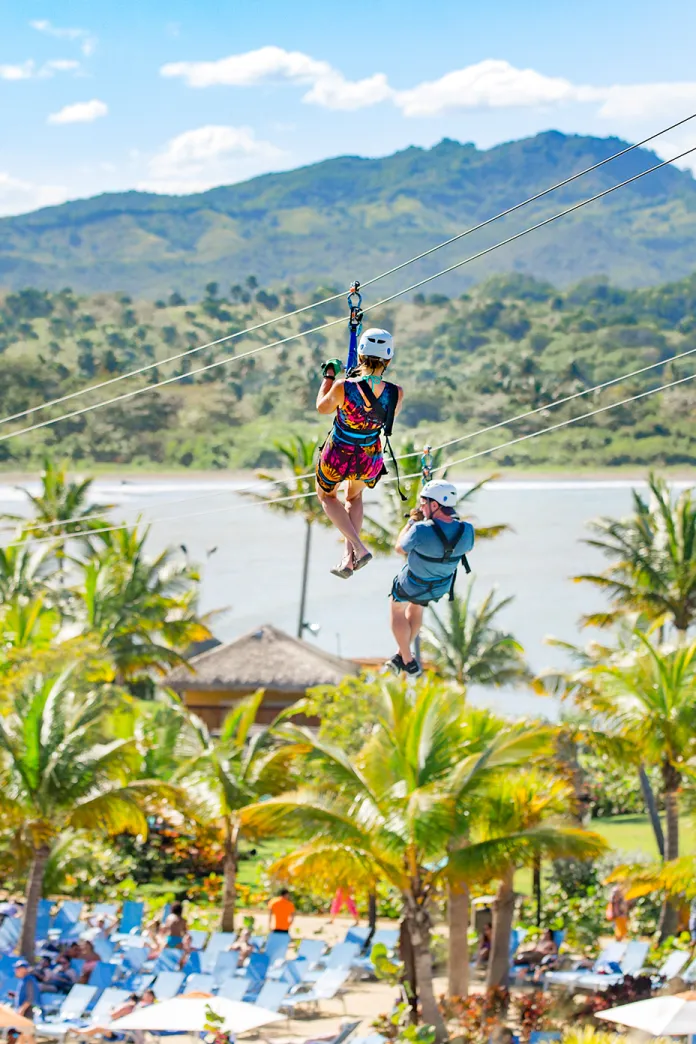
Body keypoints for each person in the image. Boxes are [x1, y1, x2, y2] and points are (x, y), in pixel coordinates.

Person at [315, 328, 403, 578]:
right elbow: (385, 419)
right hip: (369, 457)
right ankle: (348, 559)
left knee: (327, 497)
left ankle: (359, 548)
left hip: (338, 454)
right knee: (353, 498)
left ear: (361, 356)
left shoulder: (344, 387)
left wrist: (329, 376)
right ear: (388, 360)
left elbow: (322, 408)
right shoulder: (396, 392)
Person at [387, 480, 474, 676]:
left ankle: (407, 659)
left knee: (397, 607)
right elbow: (465, 546)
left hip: (412, 584)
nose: (422, 508)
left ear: (435, 505)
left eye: (424, 503)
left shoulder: (420, 529)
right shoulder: (467, 530)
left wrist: (411, 521)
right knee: (416, 606)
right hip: (439, 587)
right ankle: (401, 655)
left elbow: (399, 547)